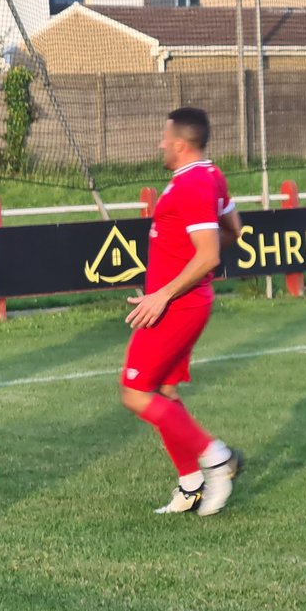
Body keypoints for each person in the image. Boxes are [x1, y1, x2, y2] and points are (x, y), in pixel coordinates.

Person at [121, 107, 243, 516]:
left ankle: (217, 458)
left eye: (164, 137)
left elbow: (209, 255)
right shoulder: (212, 175)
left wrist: (162, 294)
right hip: (188, 302)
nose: (160, 143)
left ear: (180, 143)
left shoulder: (191, 184)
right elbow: (233, 231)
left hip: (177, 306)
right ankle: (191, 484)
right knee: (165, 391)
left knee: (135, 393)